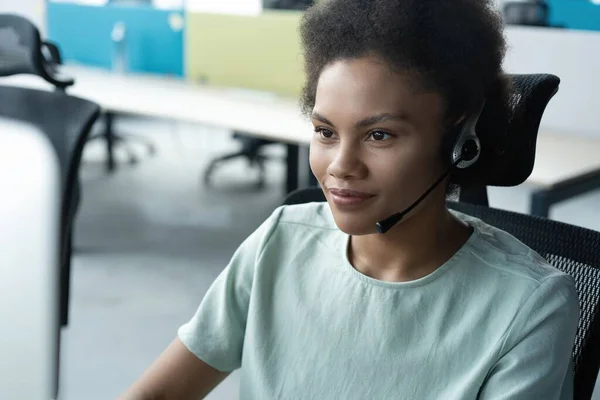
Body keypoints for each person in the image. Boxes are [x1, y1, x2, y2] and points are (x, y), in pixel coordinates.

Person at [119, 0, 579, 399]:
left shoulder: (529, 306)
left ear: (459, 136)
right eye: (325, 132)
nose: (341, 164)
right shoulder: (279, 243)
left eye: (378, 135)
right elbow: (158, 392)